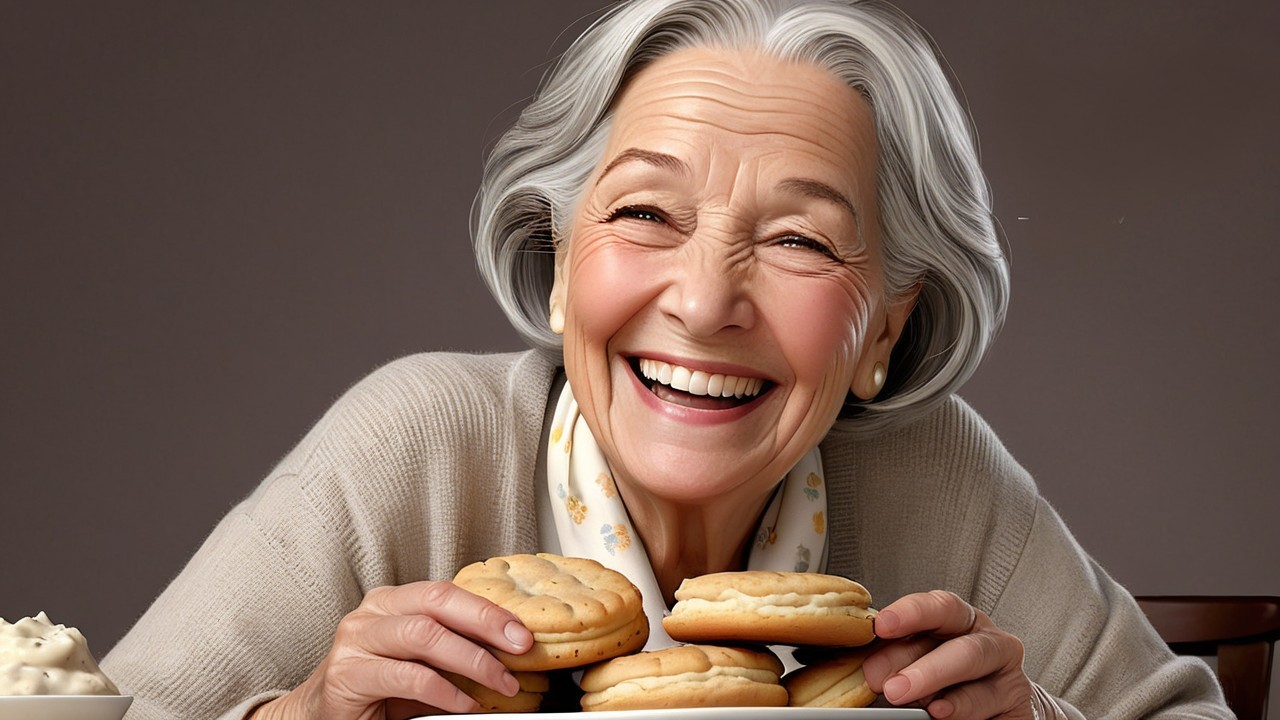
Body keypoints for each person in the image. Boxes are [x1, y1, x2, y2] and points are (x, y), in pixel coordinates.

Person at [102, 1, 1230, 719]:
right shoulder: (419, 447)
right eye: (645, 213)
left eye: (795, 239)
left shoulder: (938, 482)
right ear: (557, 260)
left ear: (885, 326)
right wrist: (295, 719)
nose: (700, 302)